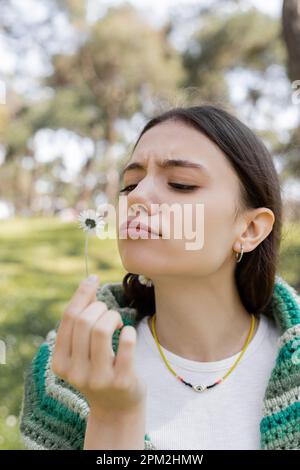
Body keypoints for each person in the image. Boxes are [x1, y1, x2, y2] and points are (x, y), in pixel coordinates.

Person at [19, 105, 300, 450]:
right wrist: (111, 417)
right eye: (130, 185)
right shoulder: (65, 371)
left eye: (181, 184)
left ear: (250, 229)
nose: (136, 197)